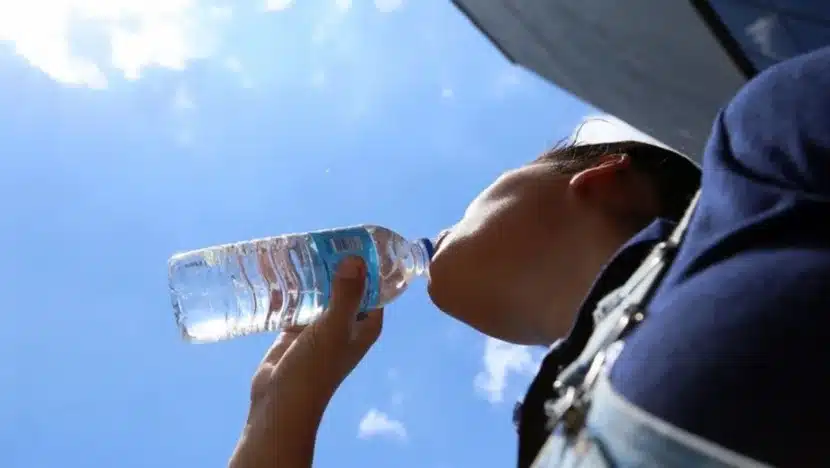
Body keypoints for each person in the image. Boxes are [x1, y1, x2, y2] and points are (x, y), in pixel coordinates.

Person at [229, 46, 830, 468]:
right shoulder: (540, 444)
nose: (442, 226)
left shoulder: (759, 172)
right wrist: (279, 414)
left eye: (467, 205)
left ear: (603, 179)